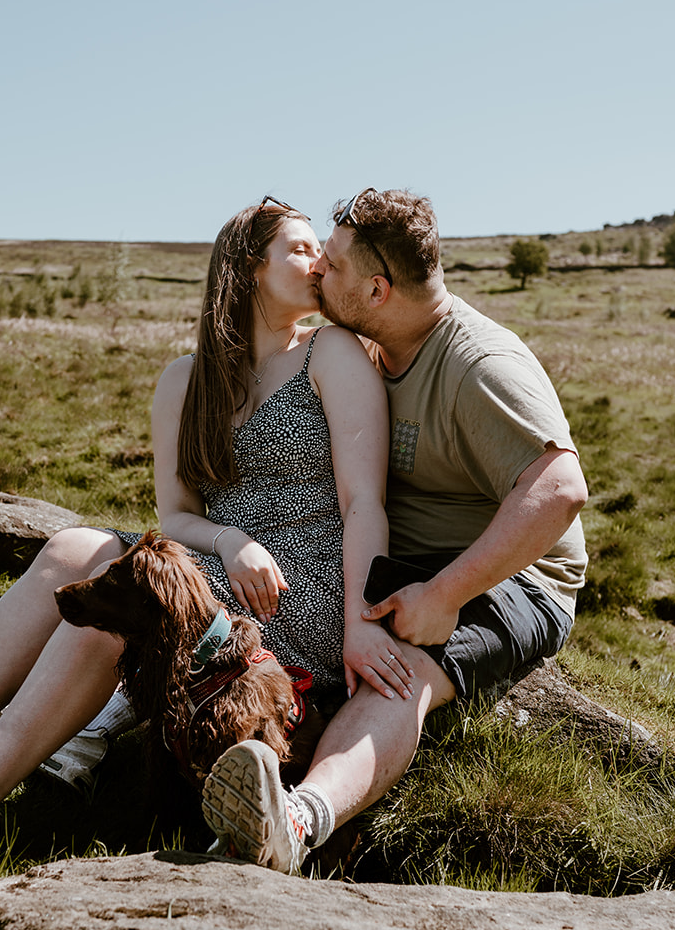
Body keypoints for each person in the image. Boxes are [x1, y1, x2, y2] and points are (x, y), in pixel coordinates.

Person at [0, 198, 406, 856]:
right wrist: (231, 540)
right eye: (301, 249)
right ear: (250, 265)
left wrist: (360, 624)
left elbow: (362, 504)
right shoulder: (186, 380)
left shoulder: (329, 352)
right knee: (70, 549)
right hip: (219, 565)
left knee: (126, 604)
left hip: (298, 590)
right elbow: (177, 516)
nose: (320, 263)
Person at [201, 188, 589, 874]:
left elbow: (560, 491)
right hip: (407, 561)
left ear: (377, 290)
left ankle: (296, 821)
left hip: (514, 575)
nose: (318, 268)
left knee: (398, 671)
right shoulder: (375, 348)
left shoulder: (478, 365)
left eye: (334, 263)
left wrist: (444, 594)